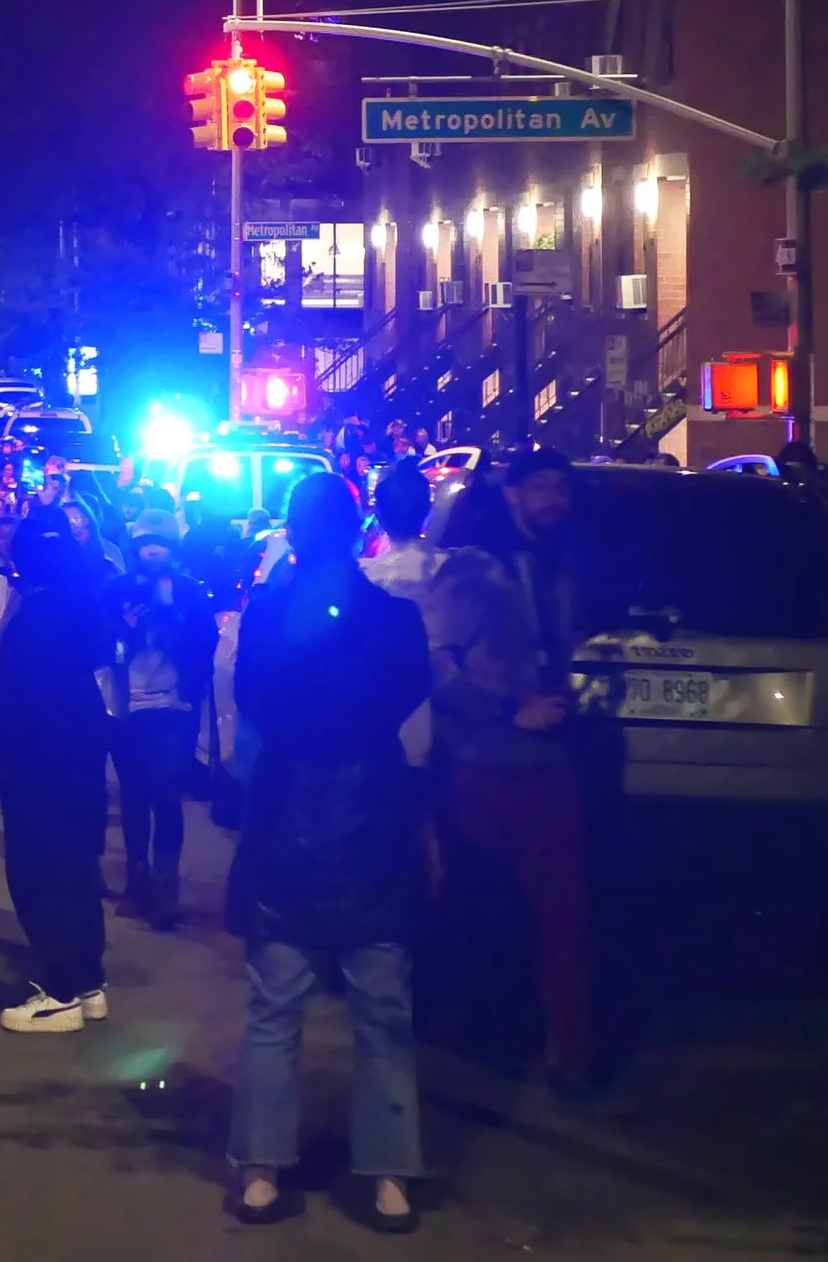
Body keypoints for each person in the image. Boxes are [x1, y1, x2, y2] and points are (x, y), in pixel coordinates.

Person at [228, 473, 430, 1231]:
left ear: (294, 530)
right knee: (381, 1008)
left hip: (290, 809)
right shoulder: (395, 618)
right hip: (371, 811)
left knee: (276, 1003)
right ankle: (389, 1172)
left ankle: (261, 1165)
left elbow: (251, 698)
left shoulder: (267, 613)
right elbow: (407, 695)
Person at [425, 445, 594, 1100]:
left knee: (563, 912)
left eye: (562, 489)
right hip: (482, 762)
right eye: (541, 487)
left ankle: (566, 1053)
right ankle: (485, 1046)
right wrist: (506, 708)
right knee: (485, 908)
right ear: (513, 494)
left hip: (550, 761)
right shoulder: (476, 570)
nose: (554, 501)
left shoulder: (561, 568)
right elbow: (435, 664)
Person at [0, 520, 115, 1033]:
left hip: (39, 763)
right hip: (80, 758)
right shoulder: (84, 604)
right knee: (77, 869)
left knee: (40, 872)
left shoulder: (36, 617)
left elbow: (25, 701)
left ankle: (61, 992)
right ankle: (87, 983)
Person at [108, 525, 218, 928]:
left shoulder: (190, 591)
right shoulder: (117, 589)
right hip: (128, 707)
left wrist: (174, 623)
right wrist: (126, 630)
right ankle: (137, 882)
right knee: (135, 797)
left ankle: (165, 886)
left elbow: (206, 644)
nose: (153, 550)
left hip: (176, 705)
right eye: (146, 544)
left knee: (168, 795)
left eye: (161, 543)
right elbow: (103, 645)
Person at [362, 460, 445, 769]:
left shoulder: (367, 577)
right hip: (452, 711)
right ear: (428, 511)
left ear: (380, 515)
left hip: (385, 713)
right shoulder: (453, 568)